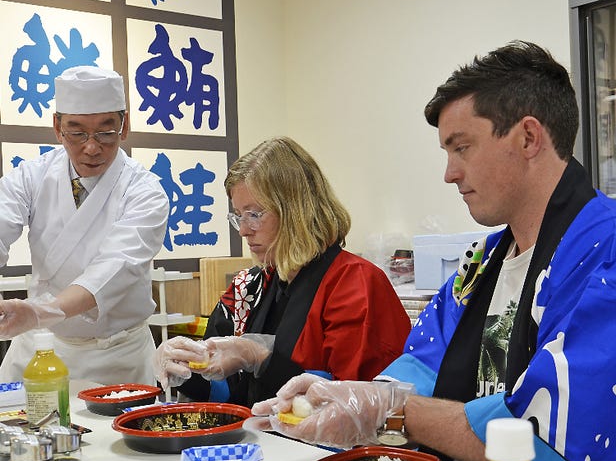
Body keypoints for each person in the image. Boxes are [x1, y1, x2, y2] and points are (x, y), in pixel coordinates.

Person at [251, 42, 616, 461]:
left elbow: (546, 432)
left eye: (462, 148)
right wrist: (342, 396)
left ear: (527, 138)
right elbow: (422, 365)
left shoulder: (607, 251)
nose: (449, 173)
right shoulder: (480, 263)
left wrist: (388, 409)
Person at [154, 136, 411, 407]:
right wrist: (184, 364)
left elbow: (360, 404)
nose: (243, 229)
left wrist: (261, 357)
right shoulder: (247, 287)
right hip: (257, 444)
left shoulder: (355, 283)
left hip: (320, 447)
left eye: (254, 214)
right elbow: (223, 391)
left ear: (296, 210)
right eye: (238, 216)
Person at [0, 66, 169, 385]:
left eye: (105, 132)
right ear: (57, 127)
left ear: (125, 125)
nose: (91, 148)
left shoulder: (144, 191)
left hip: (116, 356)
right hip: (39, 347)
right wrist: (38, 319)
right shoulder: (32, 176)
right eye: (77, 133)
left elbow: (113, 270)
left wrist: (39, 312)